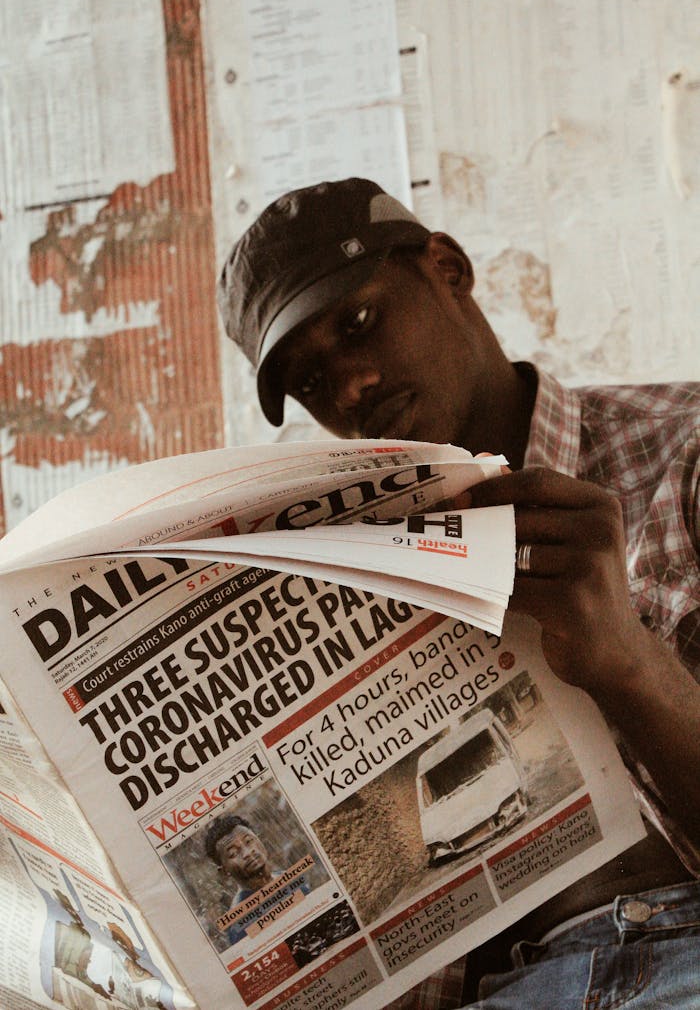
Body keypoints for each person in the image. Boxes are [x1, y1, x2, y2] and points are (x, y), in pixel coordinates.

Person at [217, 178, 700, 1007]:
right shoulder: (341, 570)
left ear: (449, 268)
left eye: (358, 324)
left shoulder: (680, 454)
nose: (351, 389)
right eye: (308, 381)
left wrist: (630, 664)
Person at [204, 813, 310, 946]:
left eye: (248, 841)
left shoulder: (291, 877)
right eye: (233, 854)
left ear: (258, 838)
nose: (248, 853)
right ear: (225, 871)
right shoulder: (239, 924)